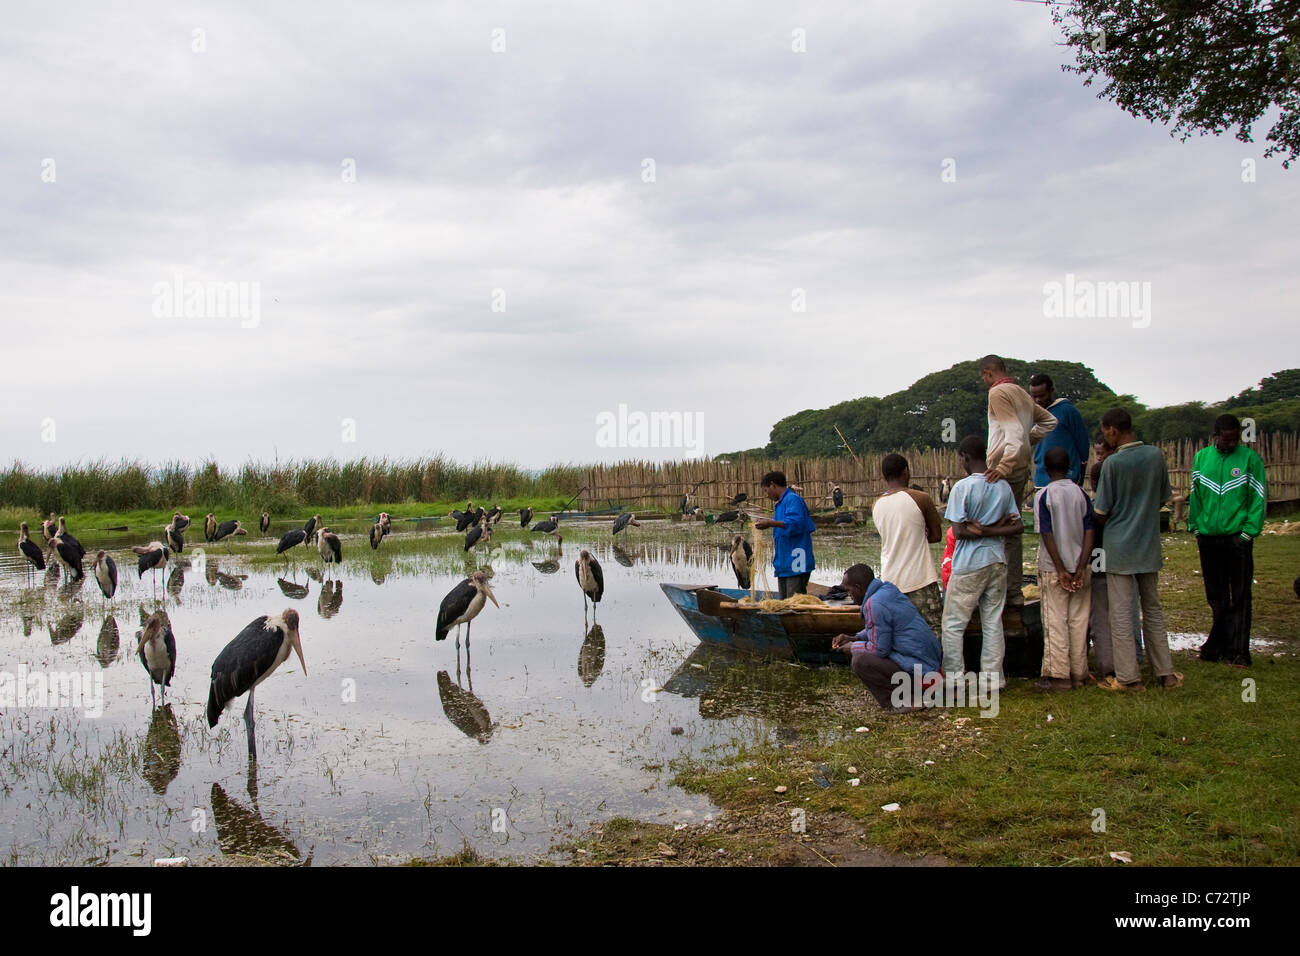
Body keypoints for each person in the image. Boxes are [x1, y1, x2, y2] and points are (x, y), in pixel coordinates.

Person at [1094, 408, 1182, 691]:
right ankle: (1165, 673)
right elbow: (1162, 498)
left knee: (1121, 613)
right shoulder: (1155, 456)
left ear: (1113, 430)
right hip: (1148, 544)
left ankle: (1129, 678)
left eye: (1105, 431)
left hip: (1118, 547)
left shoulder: (1113, 464)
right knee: (1153, 609)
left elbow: (1103, 510)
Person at [940, 435, 1022, 691]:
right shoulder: (1002, 486)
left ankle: (954, 678)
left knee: (953, 623)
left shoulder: (962, 488)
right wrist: (997, 528)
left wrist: (983, 529)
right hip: (997, 561)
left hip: (969, 563)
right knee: (992, 620)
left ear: (964, 457)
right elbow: (1017, 526)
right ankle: (992, 679)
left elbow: (960, 532)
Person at [978, 355, 1057, 610]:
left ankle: (1005, 593)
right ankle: (1011, 592)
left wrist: (1003, 465)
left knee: (997, 531)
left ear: (988, 373)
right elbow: (1049, 421)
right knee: (1011, 529)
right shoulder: (1021, 393)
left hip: (1006, 470)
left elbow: (1013, 433)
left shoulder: (998, 393)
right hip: (1021, 468)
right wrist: (1028, 441)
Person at [1188, 413, 1267, 667]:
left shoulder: (1250, 460)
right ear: (1216, 435)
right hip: (1209, 538)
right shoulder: (1201, 458)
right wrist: (1197, 527)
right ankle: (1218, 646)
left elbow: (1258, 499)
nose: (1232, 444)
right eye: (1227, 439)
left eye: (1236, 439)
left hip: (1237, 538)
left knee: (1241, 595)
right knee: (1217, 596)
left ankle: (1240, 652)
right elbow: (1196, 496)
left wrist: (1247, 533)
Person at [831, 564, 942, 713]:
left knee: (860, 660)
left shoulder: (875, 604)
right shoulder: (886, 591)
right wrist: (855, 637)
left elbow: (879, 650)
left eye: (849, 591)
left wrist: (852, 647)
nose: (849, 595)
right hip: (929, 664)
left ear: (859, 587)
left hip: (923, 672)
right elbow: (880, 628)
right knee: (862, 652)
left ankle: (904, 701)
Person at [1034, 447, 1096, 691]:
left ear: (1046, 469)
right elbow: (1090, 530)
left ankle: (1059, 676)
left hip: (1053, 568)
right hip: (1081, 565)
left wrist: (1060, 569)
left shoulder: (1045, 495)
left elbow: (1047, 533)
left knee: (1055, 620)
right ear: (1070, 466)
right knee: (1079, 620)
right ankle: (1079, 672)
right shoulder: (1081, 494)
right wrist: (1081, 566)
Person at [872, 453, 944, 633]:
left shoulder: (876, 505)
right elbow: (936, 536)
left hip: (890, 581)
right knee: (932, 630)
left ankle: (909, 662)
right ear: (906, 472)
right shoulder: (921, 498)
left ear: (883, 476)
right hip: (920, 579)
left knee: (902, 632)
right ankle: (933, 662)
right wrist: (921, 534)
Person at [753, 471, 815, 597]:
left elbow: (796, 523)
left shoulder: (792, 500)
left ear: (772, 485)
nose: (766, 495)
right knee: (784, 602)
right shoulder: (781, 503)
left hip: (797, 559)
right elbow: (783, 525)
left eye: (766, 490)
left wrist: (771, 523)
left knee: (794, 602)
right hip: (785, 562)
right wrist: (771, 524)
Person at [1029, 373, 1090, 488]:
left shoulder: (1067, 411)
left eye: (1042, 396)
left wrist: (1079, 472)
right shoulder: (1033, 414)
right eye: (1034, 396)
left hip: (1067, 479)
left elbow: (1083, 445)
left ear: (1051, 391)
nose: (1038, 400)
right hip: (1042, 479)